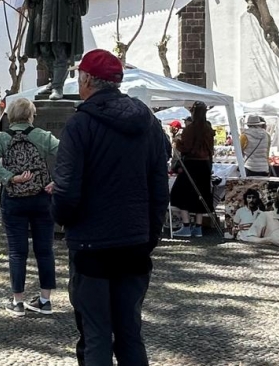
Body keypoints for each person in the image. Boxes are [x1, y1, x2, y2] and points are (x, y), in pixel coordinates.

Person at [52, 49, 169, 366]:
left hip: (92, 245)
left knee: (97, 335)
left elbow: (65, 191)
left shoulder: (80, 125)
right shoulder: (149, 124)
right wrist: (149, 236)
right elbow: (160, 189)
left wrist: (63, 221)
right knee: (130, 333)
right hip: (134, 241)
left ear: (87, 79)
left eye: (78, 76)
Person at [0, 98, 60, 316]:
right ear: (31, 115)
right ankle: (45, 301)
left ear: (10, 115)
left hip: (14, 199)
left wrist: (9, 178)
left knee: (17, 252)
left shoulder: (3, 138)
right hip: (42, 197)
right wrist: (58, 181)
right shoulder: (42, 136)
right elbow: (67, 153)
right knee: (45, 250)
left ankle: (18, 302)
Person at [170, 102, 215, 238]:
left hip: (191, 163)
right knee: (201, 193)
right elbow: (210, 149)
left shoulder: (190, 129)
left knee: (181, 193)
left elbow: (186, 147)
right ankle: (198, 227)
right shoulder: (208, 128)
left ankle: (186, 226)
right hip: (205, 164)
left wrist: (177, 142)